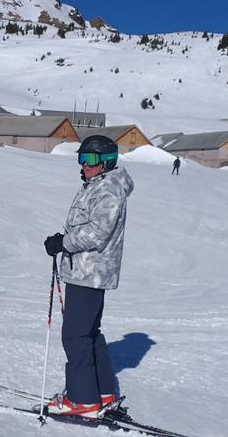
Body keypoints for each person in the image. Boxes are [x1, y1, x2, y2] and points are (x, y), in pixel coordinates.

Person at [42, 135, 134, 417]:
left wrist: (63, 242)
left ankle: (82, 400)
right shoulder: (98, 185)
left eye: (91, 159)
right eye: (82, 158)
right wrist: (64, 241)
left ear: (107, 162)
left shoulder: (108, 190)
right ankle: (103, 392)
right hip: (85, 271)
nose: (84, 164)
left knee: (75, 335)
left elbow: (96, 233)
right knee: (89, 333)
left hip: (89, 272)